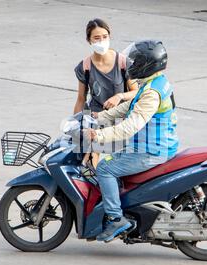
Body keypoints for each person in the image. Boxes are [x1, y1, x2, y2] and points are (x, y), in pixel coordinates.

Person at [86, 40, 179, 242]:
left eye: (136, 61)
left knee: (104, 168)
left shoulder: (152, 93)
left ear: (147, 64)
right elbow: (130, 106)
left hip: (150, 150)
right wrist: (99, 117)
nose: (131, 65)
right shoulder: (155, 84)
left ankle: (115, 218)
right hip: (148, 146)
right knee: (111, 162)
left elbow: (131, 124)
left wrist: (99, 135)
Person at [74, 18, 138, 167]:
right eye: (96, 38)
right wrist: (75, 123)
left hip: (121, 117)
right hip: (97, 117)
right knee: (89, 157)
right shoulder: (85, 67)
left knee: (122, 161)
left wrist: (120, 96)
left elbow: (137, 91)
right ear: (89, 40)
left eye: (105, 36)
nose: (101, 41)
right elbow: (80, 99)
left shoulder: (123, 62)